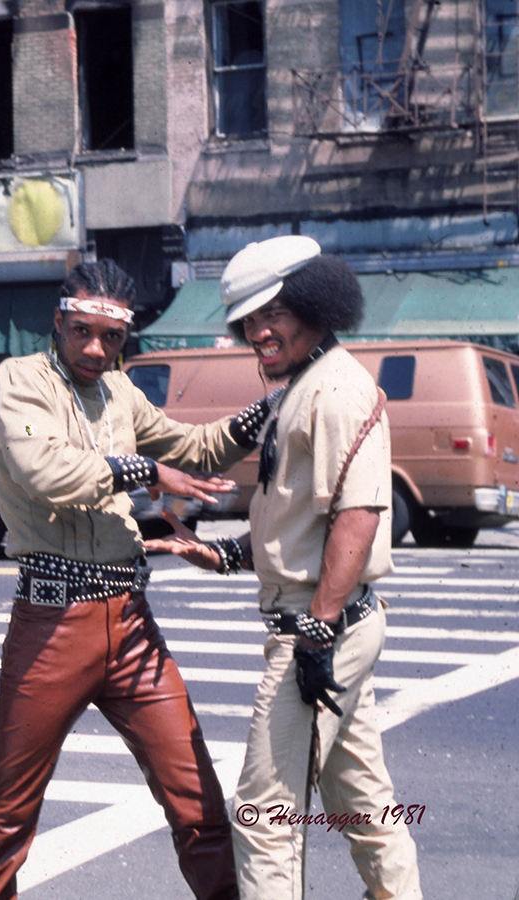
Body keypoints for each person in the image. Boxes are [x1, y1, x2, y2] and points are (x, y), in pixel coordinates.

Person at [0, 259, 283, 900]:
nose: (94, 348)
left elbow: (196, 447)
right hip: (51, 628)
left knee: (198, 804)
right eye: (81, 331)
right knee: (7, 817)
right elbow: (46, 470)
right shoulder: (18, 380)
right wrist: (147, 473)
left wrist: (274, 405)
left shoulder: (121, 392)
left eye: (110, 338)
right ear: (59, 321)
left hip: (132, 624)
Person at [145, 236, 422, 900]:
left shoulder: (335, 390)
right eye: (248, 321)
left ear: (314, 302)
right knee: (364, 802)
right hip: (330, 624)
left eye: (273, 313)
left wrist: (317, 634)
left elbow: (357, 517)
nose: (259, 332)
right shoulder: (299, 390)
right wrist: (219, 552)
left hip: (322, 629)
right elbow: (296, 520)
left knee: (264, 812)